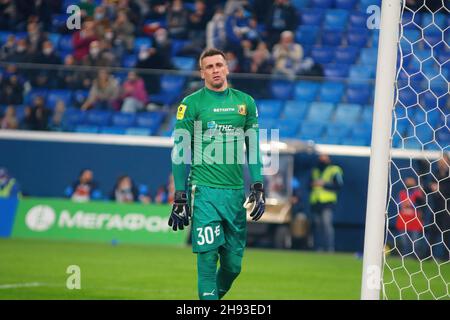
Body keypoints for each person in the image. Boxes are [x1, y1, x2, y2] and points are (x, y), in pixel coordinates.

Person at [169, 48, 265, 300]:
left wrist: (257, 185)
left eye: (219, 65)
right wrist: (180, 195)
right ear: (202, 73)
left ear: (227, 68)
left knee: (233, 267)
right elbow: (180, 151)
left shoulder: (246, 103)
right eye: (209, 67)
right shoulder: (191, 104)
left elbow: (253, 148)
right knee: (208, 261)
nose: (215, 70)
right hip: (204, 192)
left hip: (235, 195)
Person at [309, 153, 343, 252]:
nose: (321, 158)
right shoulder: (315, 170)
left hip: (327, 202)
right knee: (317, 226)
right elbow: (309, 184)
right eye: (320, 156)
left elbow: (339, 185)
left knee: (327, 226)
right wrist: (313, 184)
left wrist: (324, 184)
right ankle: (318, 247)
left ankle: (329, 248)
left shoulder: (335, 170)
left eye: (324, 156)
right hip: (315, 202)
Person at [395, 177, 427, 259]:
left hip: (415, 220)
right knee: (403, 241)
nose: (409, 184)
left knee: (415, 241)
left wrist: (412, 203)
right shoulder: (401, 193)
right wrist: (406, 203)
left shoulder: (418, 193)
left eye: (411, 182)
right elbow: (399, 203)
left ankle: (416, 257)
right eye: (408, 182)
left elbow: (422, 203)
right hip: (403, 220)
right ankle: (403, 256)